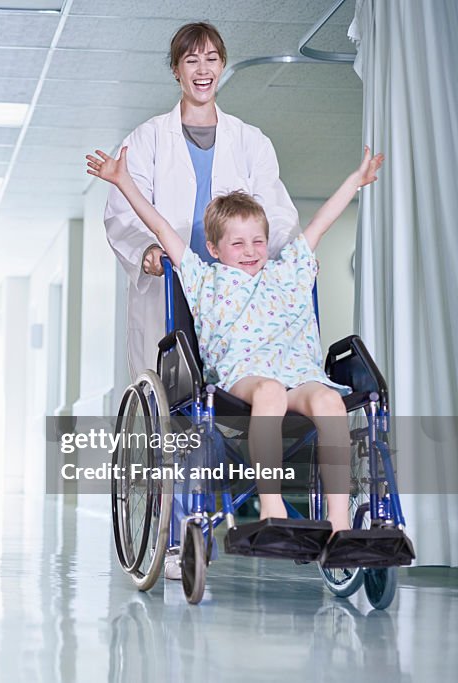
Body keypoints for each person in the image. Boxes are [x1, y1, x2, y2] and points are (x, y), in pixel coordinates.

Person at [87, 144, 384, 550]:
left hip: (302, 374)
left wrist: (356, 180)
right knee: (269, 391)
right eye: (238, 244)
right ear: (214, 249)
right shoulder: (204, 278)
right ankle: (272, 507)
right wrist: (123, 181)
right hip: (241, 378)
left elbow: (319, 224)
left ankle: (338, 522)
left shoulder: (286, 272)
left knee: (332, 403)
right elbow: (161, 229)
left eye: (258, 242)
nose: (251, 252)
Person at [101, 21, 299, 578]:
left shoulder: (251, 141)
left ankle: (217, 517)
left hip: (232, 295)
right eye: (192, 60)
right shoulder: (146, 139)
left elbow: (279, 212)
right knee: (171, 411)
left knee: (215, 411)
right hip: (171, 291)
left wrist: (262, 249)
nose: (203, 69)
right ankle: (166, 536)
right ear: (176, 70)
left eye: (212, 58)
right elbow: (123, 209)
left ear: (222, 67)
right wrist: (145, 252)